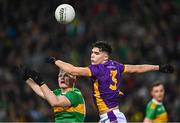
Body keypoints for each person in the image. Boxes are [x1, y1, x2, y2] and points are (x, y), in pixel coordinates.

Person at [45, 41, 174, 123]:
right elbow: (137, 68)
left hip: (111, 117)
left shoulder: (98, 69)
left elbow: (72, 70)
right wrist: (159, 67)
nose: (92, 56)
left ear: (105, 57)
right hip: (110, 117)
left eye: (96, 53)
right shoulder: (117, 66)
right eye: (92, 53)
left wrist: (55, 61)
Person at [19, 67, 86, 122]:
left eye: (65, 75)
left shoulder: (75, 94)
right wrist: (27, 79)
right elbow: (41, 92)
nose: (62, 78)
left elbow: (54, 102)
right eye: (60, 75)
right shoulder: (57, 93)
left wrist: (41, 82)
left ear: (74, 79)